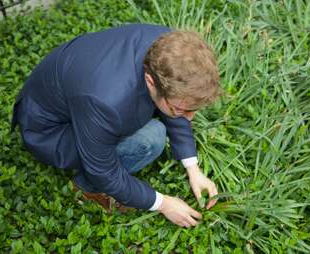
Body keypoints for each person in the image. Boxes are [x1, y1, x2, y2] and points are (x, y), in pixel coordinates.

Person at [11, 23, 222, 228]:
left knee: (159, 119)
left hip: (79, 95)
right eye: (181, 110)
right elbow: (103, 170)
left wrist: (193, 169)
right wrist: (163, 204)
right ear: (150, 81)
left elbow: (177, 98)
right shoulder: (105, 102)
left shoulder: (170, 48)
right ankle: (85, 188)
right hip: (49, 131)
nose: (190, 118)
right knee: (151, 139)